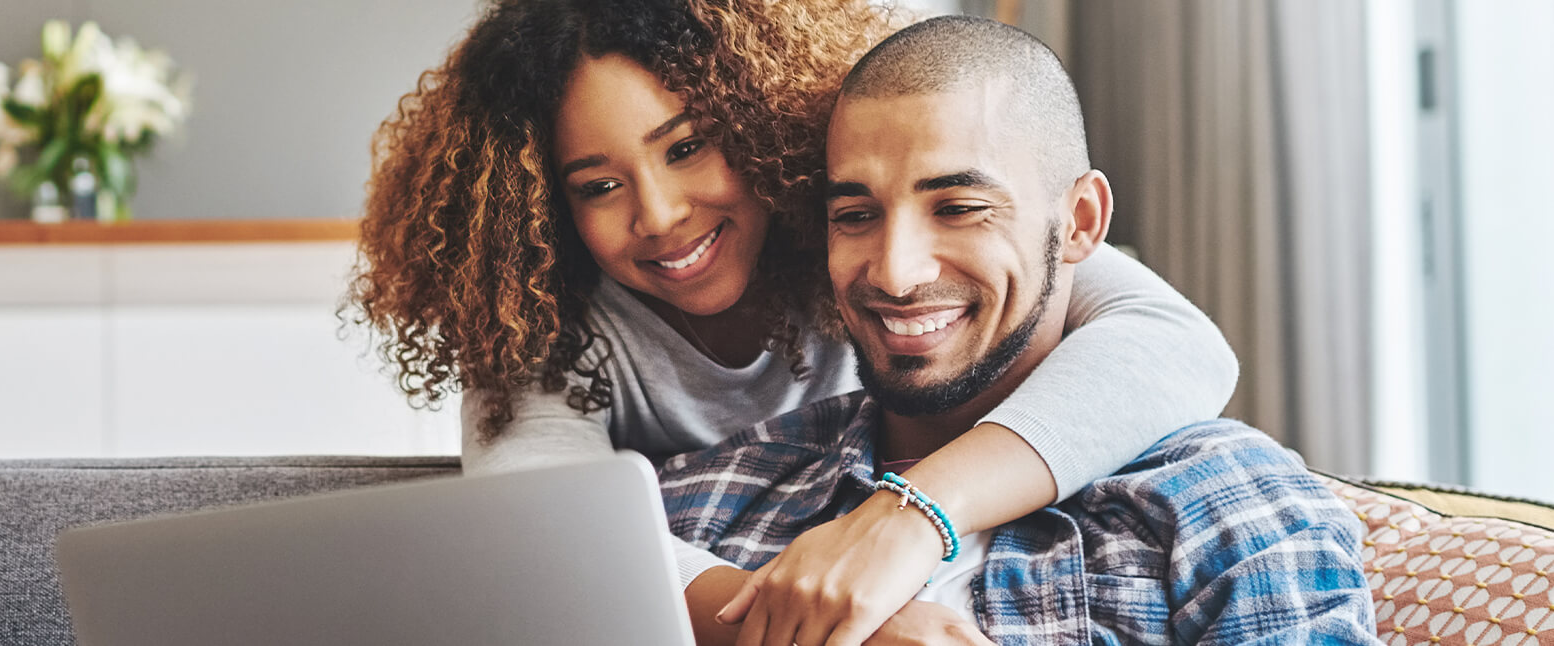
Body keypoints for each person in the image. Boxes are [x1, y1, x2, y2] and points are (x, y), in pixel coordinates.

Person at [346, 0, 1237, 642]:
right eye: (598, 186)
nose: (657, 215)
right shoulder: (541, 323)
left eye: (688, 147)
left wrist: (911, 517)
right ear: (542, 207)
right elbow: (535, 528)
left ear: (760, 120)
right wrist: (821, 621)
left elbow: (1177, 346)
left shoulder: (869, 233)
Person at [659, 15, 1377, 646]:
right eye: (855, 215)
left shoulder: (1227, 506)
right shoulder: (707, 498)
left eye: (960, 207)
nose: (897, 273)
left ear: (1082, 222)